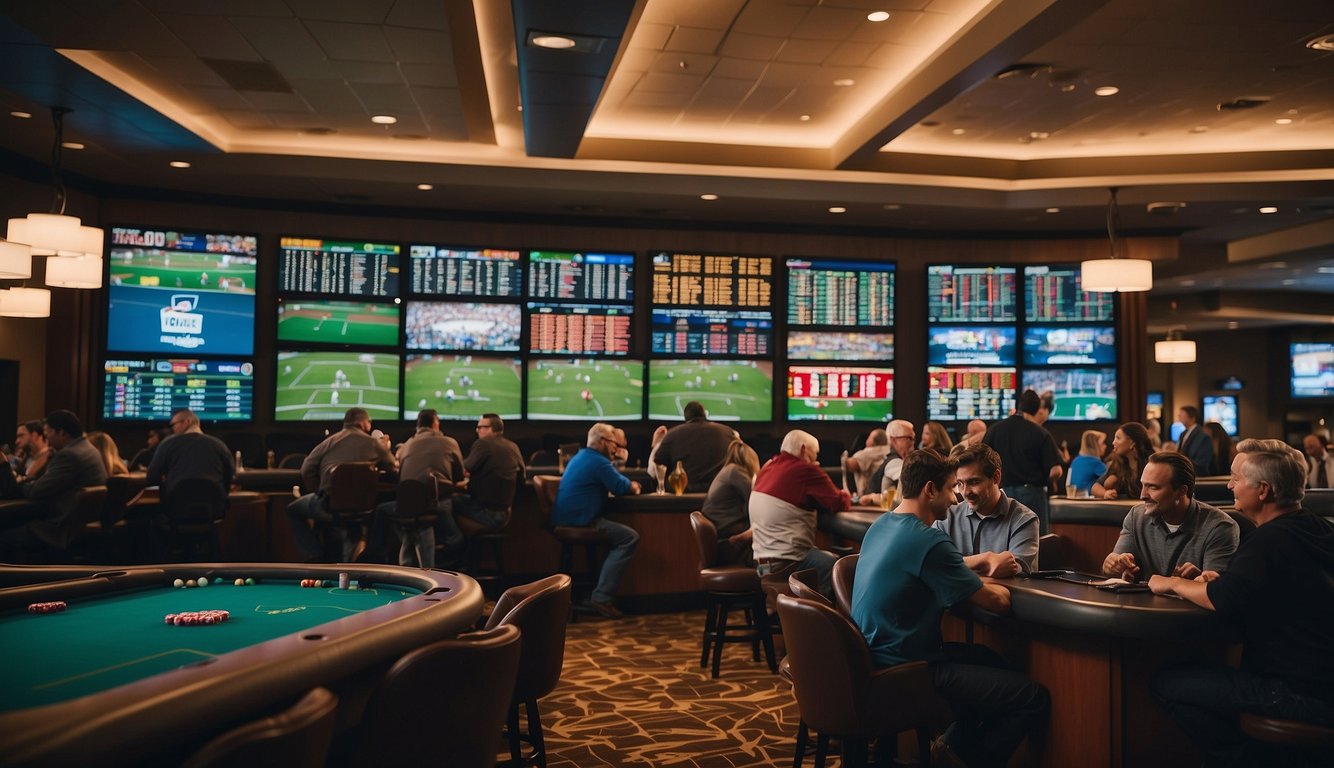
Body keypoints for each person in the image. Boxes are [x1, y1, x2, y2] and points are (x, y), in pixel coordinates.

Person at [851, 449, 1050, 768]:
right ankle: (968, 760)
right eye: (950, 488)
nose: (956, 498)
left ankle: (952, 747)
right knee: (1032, 697)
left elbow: (941, 565)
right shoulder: (928, 541)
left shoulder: (883, 524)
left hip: (874, 658)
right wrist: (990, 570)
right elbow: (998, 603)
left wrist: (977, 562)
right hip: (908, 669)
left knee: (992, 662)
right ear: (930, 490)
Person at [1149, 439, 1334, 767]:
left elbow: (1225, 604)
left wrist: (1172, 583)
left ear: (1263, 490)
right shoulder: (1318, 528)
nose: (1229, 484)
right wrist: (1223, 584)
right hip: (1323, 686)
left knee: (1167, 683)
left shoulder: (1266, 540)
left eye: (1235, 478)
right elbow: (1279, 591)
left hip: (1295, 692)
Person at [1101, 451, 1238, 581]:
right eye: (1143, 485)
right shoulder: (1136, 516)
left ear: (1181, 491)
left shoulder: (1219, 527)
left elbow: (1217, 592)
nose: (1142, 495)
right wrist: (1114, 565)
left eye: (1153, 487)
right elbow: (1117, 566)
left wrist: (1198, 581)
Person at [552, 422, 641, 618]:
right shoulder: (598, 462)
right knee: (629, 538)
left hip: (566, 519)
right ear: (601, 442)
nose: (616, 447)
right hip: (582, 521)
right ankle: (601, 597)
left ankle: (598, 592)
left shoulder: (581, 456)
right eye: (612, 443)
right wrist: (635, 486)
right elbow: (622, 487)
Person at [749, 429, 851, 597]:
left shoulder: (766, 469)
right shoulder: (805, 470)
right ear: (803, 450)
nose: (816, 460)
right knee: (838, 566)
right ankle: (822, 621)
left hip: (761, 565)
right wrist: (845, 493)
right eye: (815, 454)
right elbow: (839, 502)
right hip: (787, 562)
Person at [287, 407, 397, 562]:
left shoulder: (329, 442)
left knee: (293, 510)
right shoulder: (375, 444)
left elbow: (306, 469)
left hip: (328, 506)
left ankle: (316, 555)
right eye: (369, 422)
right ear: (363, 423)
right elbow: (394, 467)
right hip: (364, 508)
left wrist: (319, 491)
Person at [4, 411, 109, 556]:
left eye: (48, 433)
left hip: (59, 529)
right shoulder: (90, 450)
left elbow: (36, 491)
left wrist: (19, 483)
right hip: (78, 525)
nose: (46, 438)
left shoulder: (69, 455)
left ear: (61, 433)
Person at [376, 409, 464, 568]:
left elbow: (400, 475)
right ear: (435, 423)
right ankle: (448, 573)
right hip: (436, 504)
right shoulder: (449, 442)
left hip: (407, 506)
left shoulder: (407, 445)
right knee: (455, 537)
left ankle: (384, 561)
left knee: (392, 516)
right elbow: (458, 476)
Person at [935, 443, 1039, 575]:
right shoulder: (946, 516)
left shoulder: (1024, 520)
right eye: (959, 484)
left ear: (996, 477)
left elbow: (1015, 575)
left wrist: (953, 565)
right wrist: (987, 560)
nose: (965, 492)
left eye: (974, 482)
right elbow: (933, 565)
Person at [983, 389, 1062, 533]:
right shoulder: (1041, 433)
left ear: (1019, 405)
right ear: (1037, 409)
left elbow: (982, 460)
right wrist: (1046, 480)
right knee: (1036, 540)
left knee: (1003, 539)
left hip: (1001, 493)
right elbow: (1056, 471)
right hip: (1032, 494)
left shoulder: (995, 429)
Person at [453, 412, 526, 532]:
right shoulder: (513, 446)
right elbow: (521, 476)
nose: (477, 430)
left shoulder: (483, 443)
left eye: (481, 427)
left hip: (488, 513)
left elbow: (463, 469)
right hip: (506, 512)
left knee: (445, 503)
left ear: (493, 429)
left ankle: (453, 541)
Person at [145, 409, 235, 501]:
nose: (172, 429)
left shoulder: (168, 444)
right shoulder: (219, 445)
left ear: (187, 422)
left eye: (173, 425)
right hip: (214, 505)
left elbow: (152, 477)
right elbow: (230, 476)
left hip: (176, 505)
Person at [648, 401, 736, 492]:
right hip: (719, 492)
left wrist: (657, 444)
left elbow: (653, 471)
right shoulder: (728, 433)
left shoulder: (672, 435)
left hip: (681, 494)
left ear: (685, 417)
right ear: (704, 414)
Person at [701, 438, 760, 566]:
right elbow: (755, 504)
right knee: (774, 554)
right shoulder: (736, 472)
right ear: (751, 462)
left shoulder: (727, 470)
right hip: (730, 546)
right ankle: (771, 580)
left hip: (723, 542)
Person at [858, 419, 915, 507]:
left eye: (913, 439)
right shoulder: (894, 462)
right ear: (894, 440)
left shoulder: (894, 459)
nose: (913, 443)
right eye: (909, 438)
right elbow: (915, 482)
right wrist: (873, 498)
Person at [1092, 422, 1155, 500]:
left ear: (1132, 442)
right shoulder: (1117, 464)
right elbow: (1095, 487)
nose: (1113, 442)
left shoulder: (1153, 465)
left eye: (1118, 438)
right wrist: (1105, 493)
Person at [843, 428, 889, 496]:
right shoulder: (890, 450)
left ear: (872, 441)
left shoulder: (868, 453)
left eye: (869, 437)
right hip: (887, 493)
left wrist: (843, 457)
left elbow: (850, 465)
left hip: (869, 495)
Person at [1175, 405, 1216, 476]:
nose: (1179, 417)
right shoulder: (1183, 433)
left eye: (1182, 415)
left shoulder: (1203, 436)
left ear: (1192, 418)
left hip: (1196, 476)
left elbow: (1202, 464)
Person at [1067, 429, 1108, 495]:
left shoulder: (1076, 460)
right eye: (1103, 443)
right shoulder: (1094, 462)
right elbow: (1111, 478)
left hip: (1073, 499)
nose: (1105, 446)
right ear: (1095, 445)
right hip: (1089, 501)